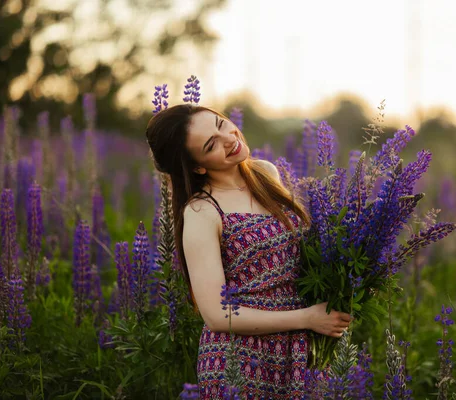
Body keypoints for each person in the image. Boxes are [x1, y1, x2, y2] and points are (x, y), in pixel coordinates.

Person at [145, 104, 351, 399]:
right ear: (198, 166)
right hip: (239, 361)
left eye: (220, 123)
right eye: (211, 144)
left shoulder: (265, 174)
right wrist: (307, 318)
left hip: (299, 348)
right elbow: (218, 315)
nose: (228, 138)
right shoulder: (202, 211)